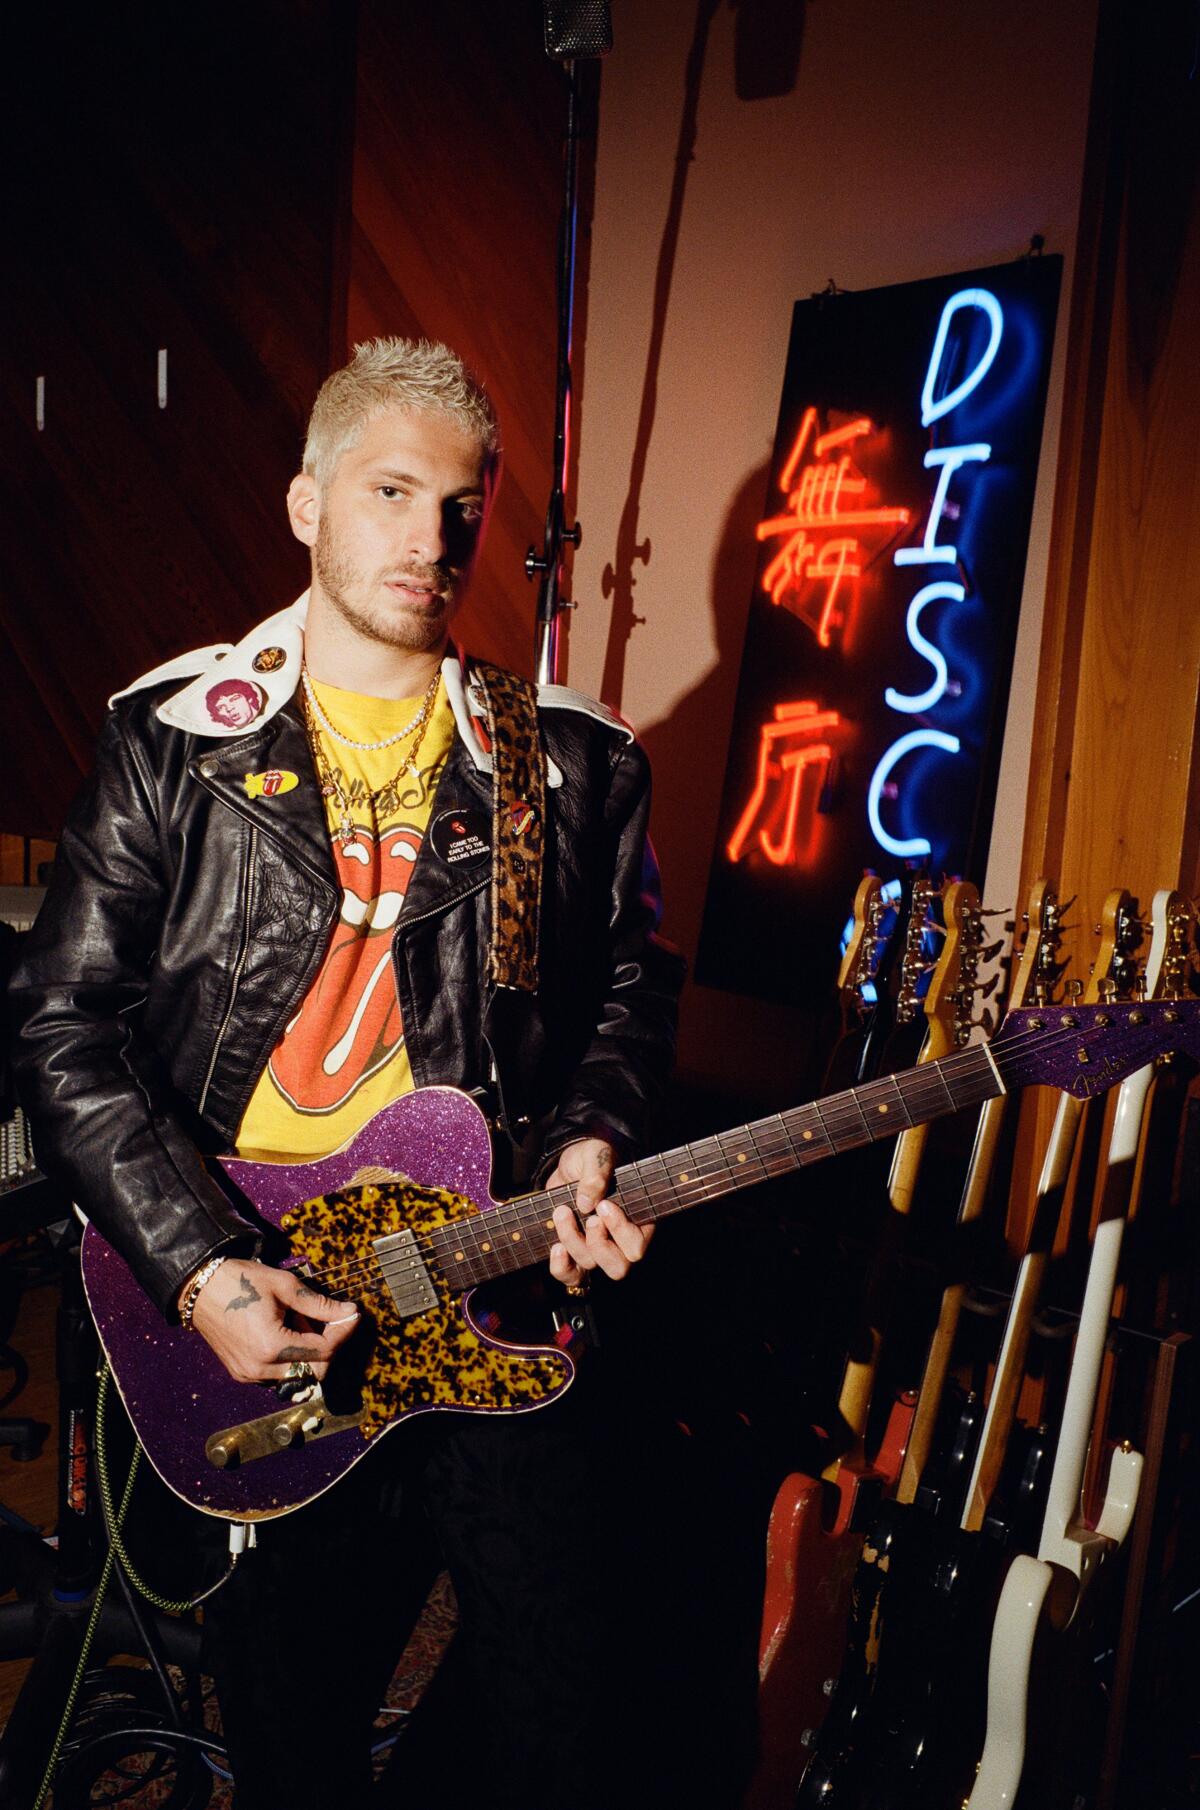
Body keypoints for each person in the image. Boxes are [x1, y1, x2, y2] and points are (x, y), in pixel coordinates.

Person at [9, 337, 684, 1809]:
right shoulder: (170, 744)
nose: (433, 539)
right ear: (308, 501)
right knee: (293, 1728)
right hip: (262, 1284)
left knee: (564, 1717)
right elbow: (62, 1025)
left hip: (475, 1278)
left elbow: (632, 987)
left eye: (461, 504)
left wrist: (587, 1139)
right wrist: (198, 1267)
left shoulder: (566, 766)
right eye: (392, 491)